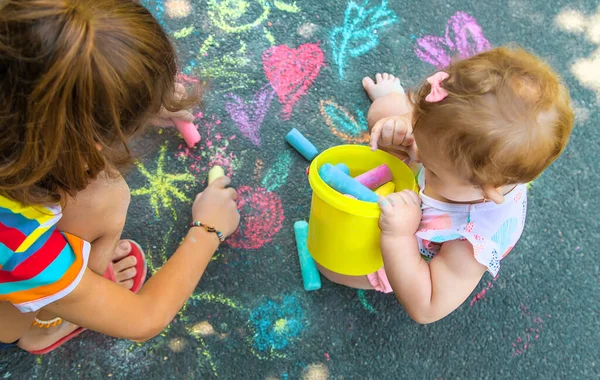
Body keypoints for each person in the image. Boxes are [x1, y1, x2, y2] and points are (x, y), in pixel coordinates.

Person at [0, 0, 240, 354]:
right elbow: (144, 318)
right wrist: (208, 229)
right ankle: (48, 321)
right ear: (92, 142)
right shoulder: (17, 244)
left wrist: (117, 98)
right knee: (104, 195)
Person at [317, 47, 574, 324]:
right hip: (431, 177)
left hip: (410, 248)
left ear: (487, 190)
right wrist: (405, 126)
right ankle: (399, 104)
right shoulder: (468, 155)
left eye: (433, 170)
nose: (417, 156)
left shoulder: (470, 242)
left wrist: (398, 237)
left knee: (330, 266)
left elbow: (427, 307)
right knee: (385, 112)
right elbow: (429, 142)